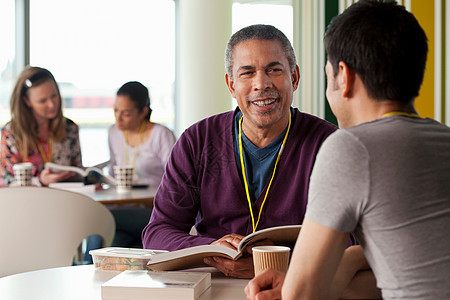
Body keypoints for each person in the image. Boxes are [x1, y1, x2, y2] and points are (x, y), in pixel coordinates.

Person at [245, 1, 450, 299]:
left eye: (328, 75)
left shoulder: (351, 148)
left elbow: (301, 295)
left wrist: (296, 284)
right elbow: (412, 261)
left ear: (344, 75)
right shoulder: (443, 139)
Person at [142, 24, 341, 279]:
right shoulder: (197, 141)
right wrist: (209, 250)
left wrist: (279, 261)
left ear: (294, 77)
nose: (261, 84)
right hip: (212, 286)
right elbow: (158, 232)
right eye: (247, 73)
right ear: (231, 84)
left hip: (297, 286)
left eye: (274, 70)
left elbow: (353, 240)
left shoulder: (330, 145)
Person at [108, 81, 176, 247]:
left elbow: (176, 180)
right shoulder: (113, 132)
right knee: (116, 240)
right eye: (116, 110)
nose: (118, 117)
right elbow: (112, 172)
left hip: (154, 209)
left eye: (126, 113)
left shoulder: (161, 134)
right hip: (125, 206)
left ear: (143, 112)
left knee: (106, 217)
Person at [1, 66, 81, 186]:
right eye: (42, 101)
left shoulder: (70, 128)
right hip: (27, 202)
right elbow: (5, 182)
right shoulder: (11, 133)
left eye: (54, 96)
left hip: (65, 199)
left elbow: (78, 170)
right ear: (27, 101)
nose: (52, 104)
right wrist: (40, 181)